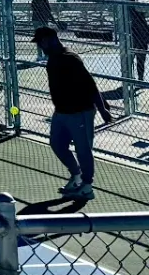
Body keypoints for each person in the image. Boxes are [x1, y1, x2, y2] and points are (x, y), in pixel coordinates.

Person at [34, 27, 112, 201]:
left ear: (51, 39)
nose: (40, 45)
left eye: (41, 41)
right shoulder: (52, 59)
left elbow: (90, 85)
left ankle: (87, 186)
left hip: (80, 111)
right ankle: (76, 175)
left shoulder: (70, 59)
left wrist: (102, 109)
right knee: (57, 144)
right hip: (61, 112)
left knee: (83, 149)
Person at [131, 0, 149, 82]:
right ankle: (139, 78)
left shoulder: (131, 16)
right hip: (140, 40)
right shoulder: (137, 15)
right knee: (140, 60)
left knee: (133, 60)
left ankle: (134, 78)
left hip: (138, 39)